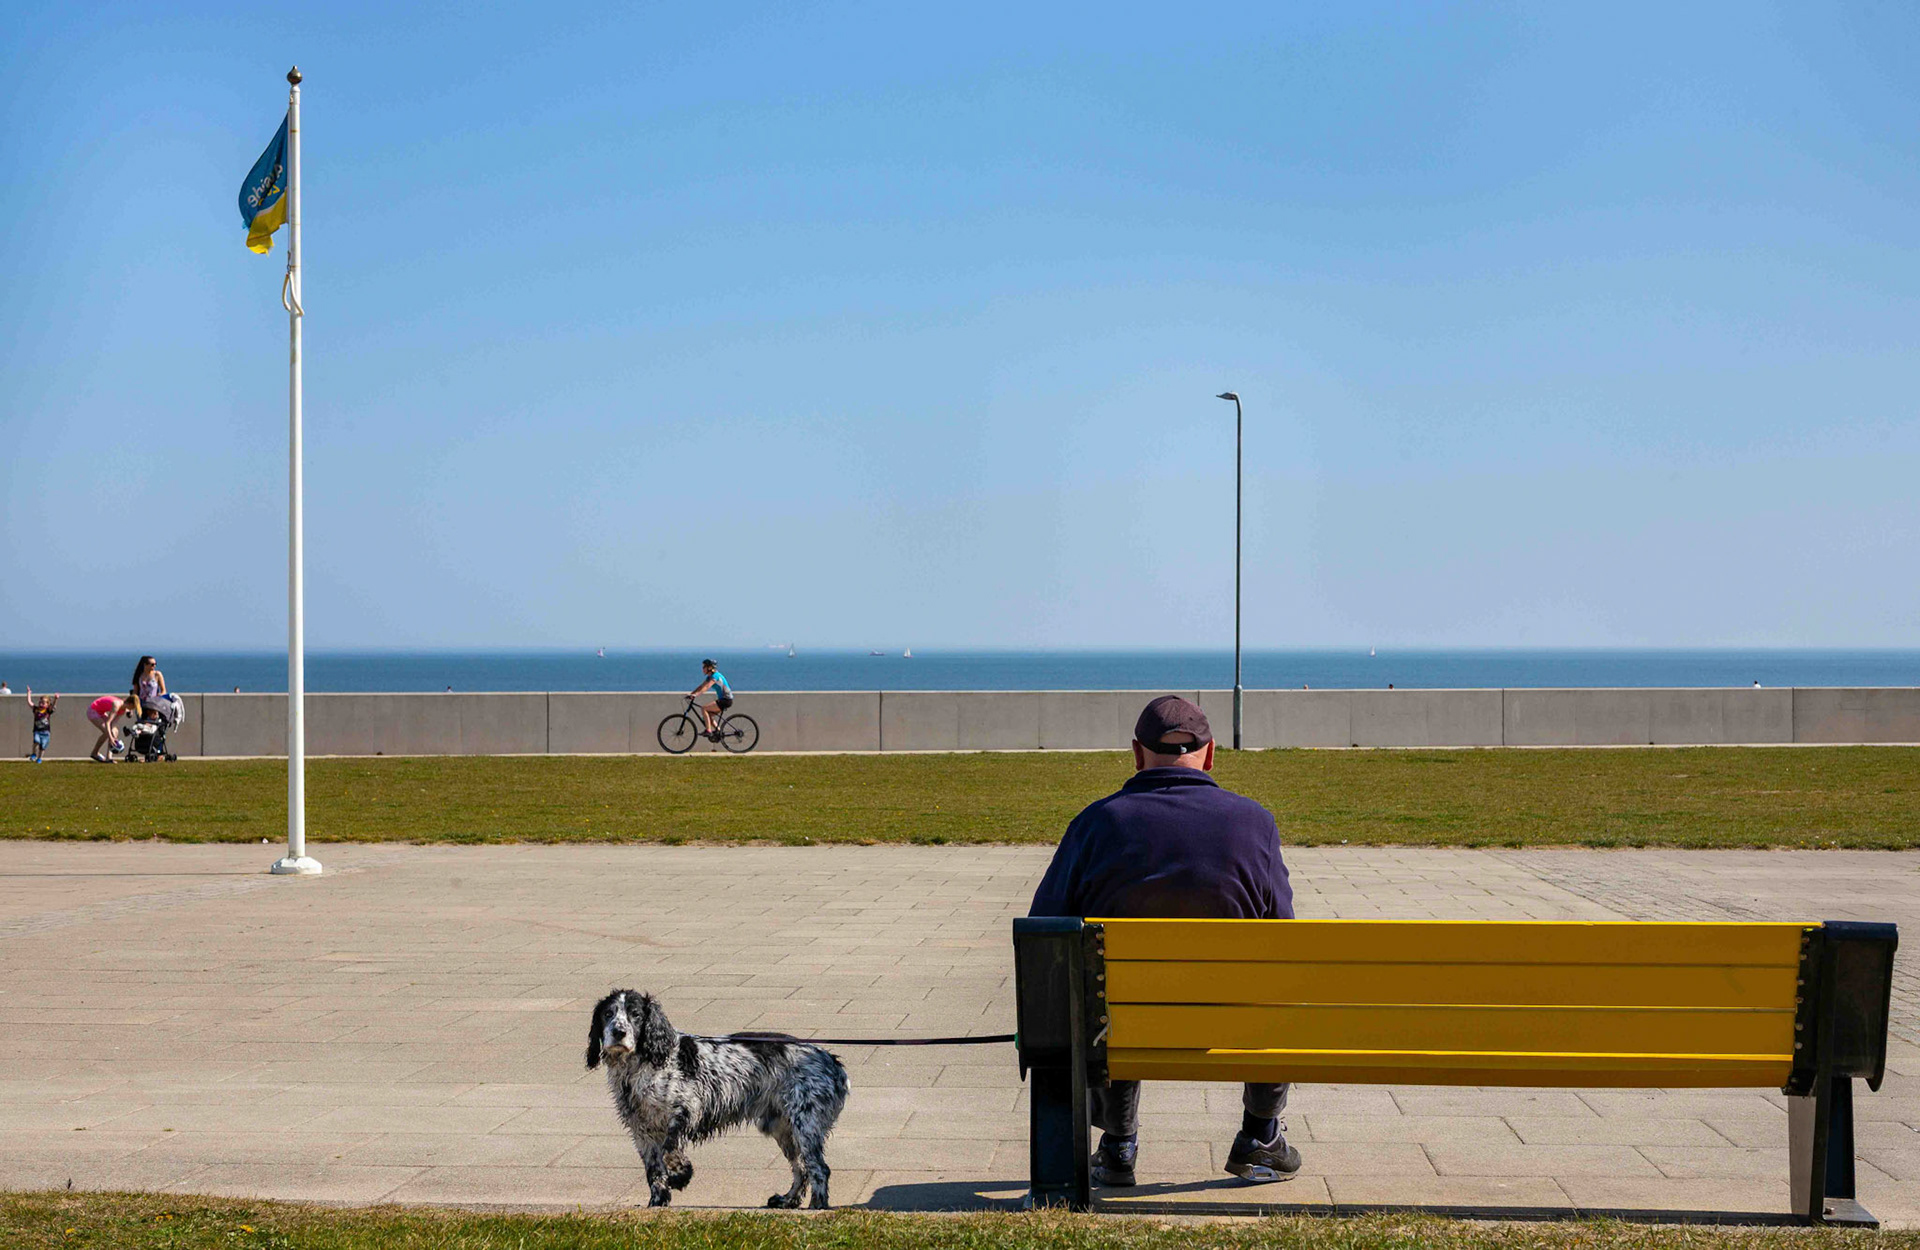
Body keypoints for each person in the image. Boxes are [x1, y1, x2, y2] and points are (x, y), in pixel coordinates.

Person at [1029, 695, 1299, 1189]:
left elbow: (1044, 925)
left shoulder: (1097, 822)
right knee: (1273, 983)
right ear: (1211, 753)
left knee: (1103, 991)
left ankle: (1118, 1144)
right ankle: (1260, 1135)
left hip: (1126, 1021)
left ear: (1137, 753)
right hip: (1230, 1016)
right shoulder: (1254, 822)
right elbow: (1282, 930)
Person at [690, 659, 734, 739]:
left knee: (704, 709)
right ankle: (719, 732)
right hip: (724, 700)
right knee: (708, 715)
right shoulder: (709, 677)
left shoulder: (715, 676)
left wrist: (696, 695)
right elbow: (701, 686)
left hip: (725, 700)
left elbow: (706, 687)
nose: (703, 669)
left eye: (704, 667)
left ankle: (708, 731)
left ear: (710, 668)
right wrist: (691, 693)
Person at [86, 693, 134, 762]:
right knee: (106, 732)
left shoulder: (122, 710)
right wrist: (111, 738)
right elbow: (108, 722)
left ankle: (109, 758)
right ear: (130, 704)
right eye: (133, 707)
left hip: (101, 712)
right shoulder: (117, 705)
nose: (132, 710)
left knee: (115, 731)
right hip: (93, 710)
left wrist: (113, 736)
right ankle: (94, 753)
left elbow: (113, 724)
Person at [27, 690, 57, 762]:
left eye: (43, 703)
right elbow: (30, 703)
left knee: (43, 746)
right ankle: (34, 754)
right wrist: (28, 694)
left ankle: (39, 758)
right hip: (37, 731)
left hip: (46, 732)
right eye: (40, 702)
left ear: (47, 704)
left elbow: (53, 706)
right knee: (36, 741)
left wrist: (56, 699)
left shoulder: (47, 711)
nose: (41, 704)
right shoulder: (36, 709)